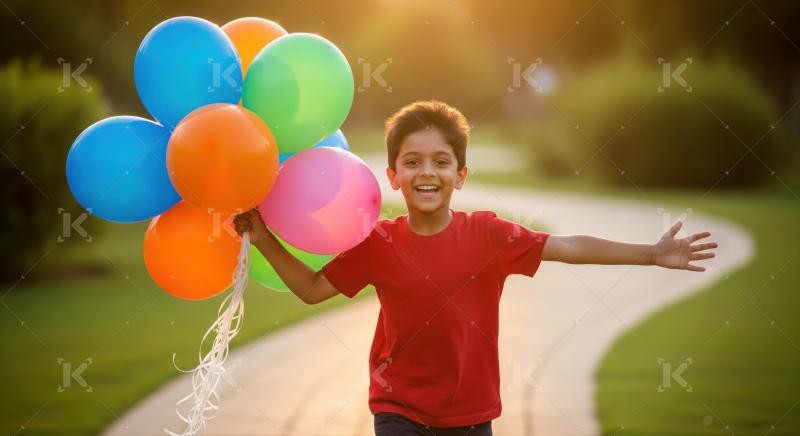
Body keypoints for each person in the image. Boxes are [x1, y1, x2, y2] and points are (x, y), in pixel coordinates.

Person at [234, 100, 717, 435]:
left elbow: (567, 245)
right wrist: (263, 236)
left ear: (460, 176)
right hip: (397, 408)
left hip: (471, 415)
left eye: (441, 162)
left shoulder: (488, 234)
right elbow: (314, 289)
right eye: (413, 161)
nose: (427, 172)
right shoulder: (378, 242)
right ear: (393, 175)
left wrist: (650, 253)